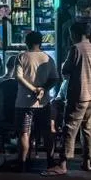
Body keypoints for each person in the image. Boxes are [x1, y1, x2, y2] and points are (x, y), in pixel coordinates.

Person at [43, 22, 91, 176]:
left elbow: (66, 71)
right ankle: (87, 161)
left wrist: (62, 66)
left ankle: (63, 164)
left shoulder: (75, 48)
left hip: (78, 94)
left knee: (69, 129)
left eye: (70, 34)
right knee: (87, 130)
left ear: (75, 33)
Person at [15, 31, 59, 172]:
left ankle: (22, 163)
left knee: (24, 133)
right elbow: (55, 78)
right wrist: (43, 89)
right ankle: (50, 161)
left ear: (26, 42)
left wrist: (33, 89)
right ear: (40, 42)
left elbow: (18, 77)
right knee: (47, 132)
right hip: (43, 102)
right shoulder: (48, 58)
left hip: (23, 102)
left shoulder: (21, 57)